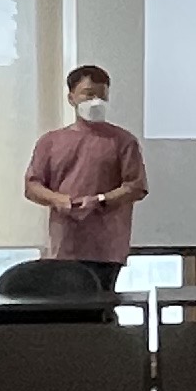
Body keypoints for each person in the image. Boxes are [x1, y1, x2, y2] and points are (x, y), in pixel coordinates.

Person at [24, 65, 147, 282]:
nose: (96, 101)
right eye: (88, 94)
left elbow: (136, 186)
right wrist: (57, 199)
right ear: (71, 98)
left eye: (102, 95)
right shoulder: (50, 142)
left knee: (101, 300)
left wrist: (100, 200)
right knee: (64, 300)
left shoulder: (123, 141)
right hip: (64, 245)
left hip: (106, 249)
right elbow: (32, 186)